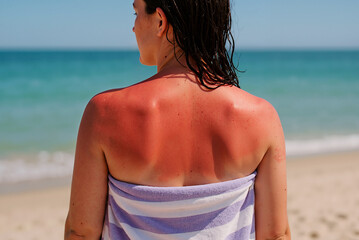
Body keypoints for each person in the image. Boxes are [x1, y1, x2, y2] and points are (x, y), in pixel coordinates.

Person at [65, 0, 290, 239]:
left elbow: (81, 232)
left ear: (160, 21)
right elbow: (275, 235)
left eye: (136, 12)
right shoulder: (261, 117)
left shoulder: (104, 113)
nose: (133, 27)